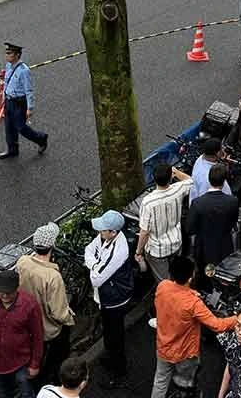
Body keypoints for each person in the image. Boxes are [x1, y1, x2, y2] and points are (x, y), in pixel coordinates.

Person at [151, 255, 237, 398]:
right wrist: (236, 318)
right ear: (190, 278)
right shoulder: (193, 303)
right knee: (186, 383)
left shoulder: (162, 286)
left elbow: (175, 296)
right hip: (185, 353)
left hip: (163, 348)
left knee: (160, 382)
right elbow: (217, 325)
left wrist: (190, 293)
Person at [16, 224, 76, 387]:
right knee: (56, 361)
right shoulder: (52, 276)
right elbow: (58, 313)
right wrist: (69, 318)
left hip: (28, 325)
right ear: (52, 246)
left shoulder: (23, 262)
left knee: (35, 361)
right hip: (49, 331)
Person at [84, 210, 134, 387]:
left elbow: (96, 279)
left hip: (115, 299)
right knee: (109, 331)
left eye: (103, 229)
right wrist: (96, 264)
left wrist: (93, 265)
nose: (99, 232)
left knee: (115, 334)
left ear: (113, 232)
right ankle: (111, 358)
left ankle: (118, 370)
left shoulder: (119, 250)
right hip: (107, 297)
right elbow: (88, 249)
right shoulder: (106, 237)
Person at [0, 270, 44, 398]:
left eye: (9, 292)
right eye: (1, 292)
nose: (4, 296)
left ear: (17, 288)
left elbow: (38, 336)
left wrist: (35, 364)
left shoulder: (30, 305)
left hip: (21, 363)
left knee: (26, 393)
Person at [136, 162, 193, 287]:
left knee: (165, 283)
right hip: (176, 243)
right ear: (170, 177)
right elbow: (190, 180)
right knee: (177, 275)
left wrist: (138, 251)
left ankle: (170, 300)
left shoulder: (148, 202)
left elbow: (144, 232)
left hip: (157, 250)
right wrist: (176, 172)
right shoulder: (178, 189)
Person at [0, 42, 49, 159]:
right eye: (6, 53)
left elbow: (29, 90)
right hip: (9, 100)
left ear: (17, 55)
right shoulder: (8, 66)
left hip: (19, 102)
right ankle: (12, 149)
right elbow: (6, 82)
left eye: (9, 53)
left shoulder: (24, 70)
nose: (7, 55)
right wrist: (4, 98)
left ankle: (41, 138)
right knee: (9, 126)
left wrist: (30, 108)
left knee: (21, 127)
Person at [188, 163, 239, 276]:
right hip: (225, 245)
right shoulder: (233, 201)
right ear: (224, 181)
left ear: (209, 179)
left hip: (204, 247)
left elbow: (190, 228)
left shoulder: (197, 203)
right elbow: (233, 222)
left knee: (205, 276)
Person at [189, 138, 232, 204]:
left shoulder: (201, 158)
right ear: (217, 153)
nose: (223, 150)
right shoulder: (208, 177)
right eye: (221, 148)